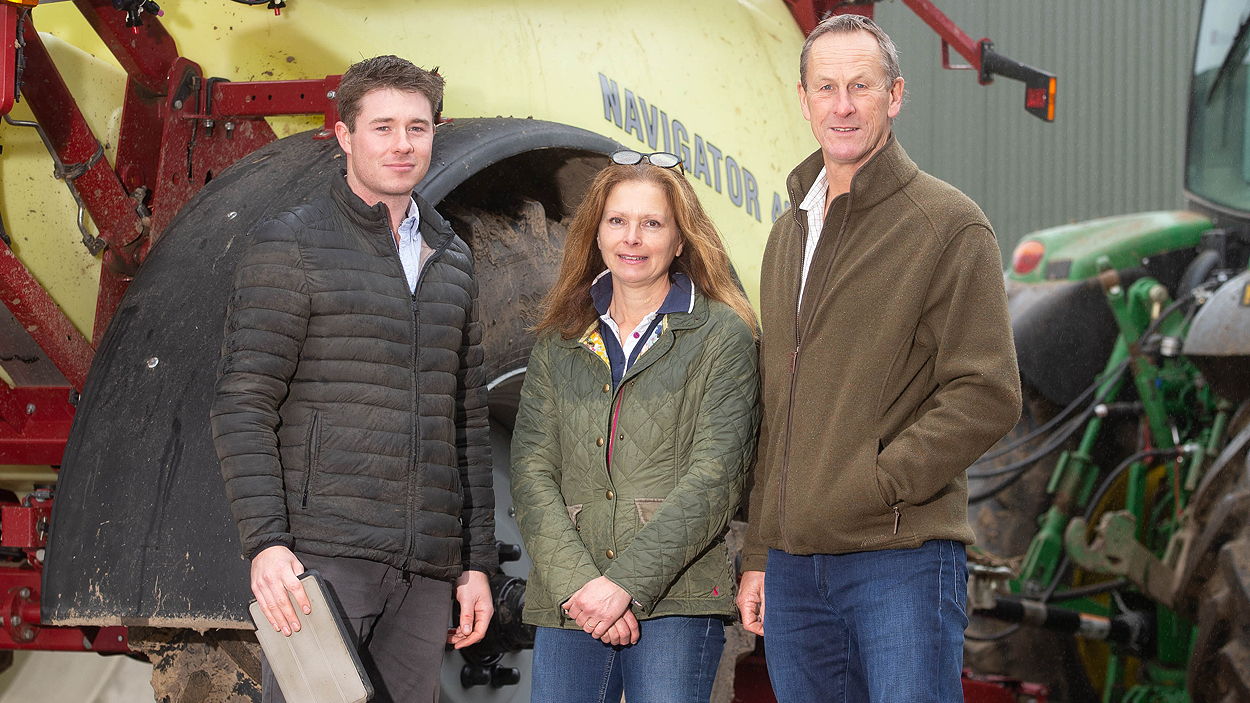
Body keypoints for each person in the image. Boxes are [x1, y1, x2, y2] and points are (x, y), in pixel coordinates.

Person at [735, 14, 1022, 703]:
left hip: (901, 560)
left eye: (859, 86)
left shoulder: (948, 224)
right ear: (802, 100)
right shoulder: (787, 232)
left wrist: (876, 482)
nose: (841, 105)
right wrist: (758, 552)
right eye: (825, 87)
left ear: (895, 95)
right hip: (797, 571)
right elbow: (782, 404)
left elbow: (987, 392)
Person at [210, 55, 495, 703]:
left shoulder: (451, 257)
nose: (402, 144)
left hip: (424, 574)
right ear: (345, 136)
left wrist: (474, 560)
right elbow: (244, 401)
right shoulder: (293, 244)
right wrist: (268, 542)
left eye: (417, 128)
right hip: (325, 561)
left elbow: (466, 425)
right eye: (383, 127)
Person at [510, 150, 760, 703]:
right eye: (618, 221)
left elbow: (715, 479)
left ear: (680, 239)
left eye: (652, 223)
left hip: (675, 595)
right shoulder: (561, 336)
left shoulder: (723, 335)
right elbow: (530, 470)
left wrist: (624, 587)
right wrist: (582, 585)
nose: (633, 238)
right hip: (570, 596)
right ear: (595, 234)